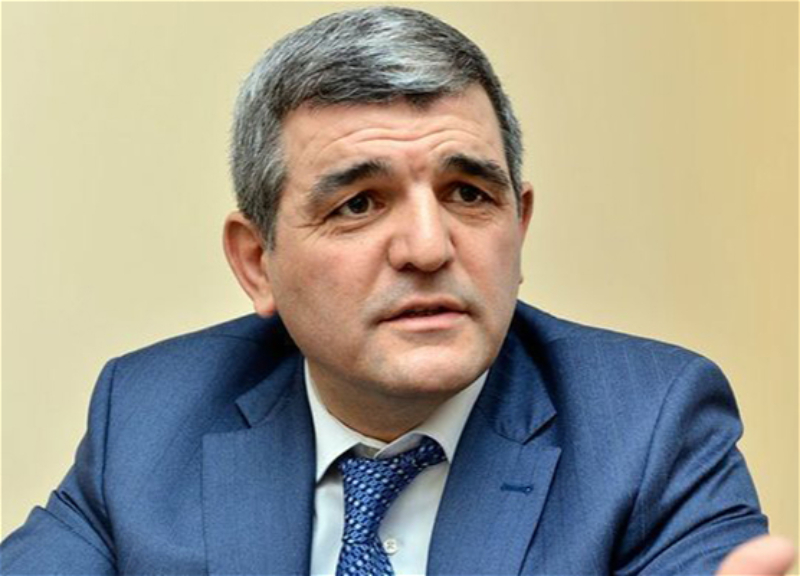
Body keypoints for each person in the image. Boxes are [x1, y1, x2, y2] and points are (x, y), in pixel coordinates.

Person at [0, 6, 794, 576]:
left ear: (518, 227)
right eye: (358, 204)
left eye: (468, 194)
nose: (428, 247)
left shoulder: (649, 426)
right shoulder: (150, 415)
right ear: (256, 262)